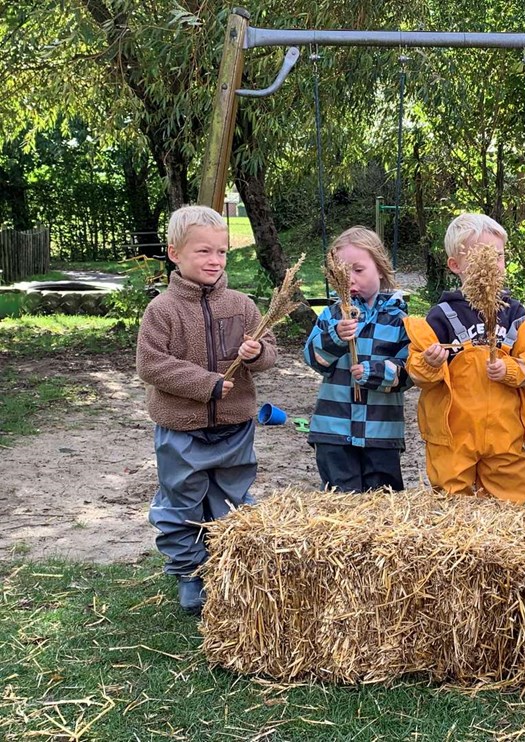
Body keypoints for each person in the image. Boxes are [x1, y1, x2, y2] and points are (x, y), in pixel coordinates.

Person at [136, 205, 277, 615]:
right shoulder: (163, 310)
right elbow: (151, 364)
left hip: (235, 426)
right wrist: (206, 384)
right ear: (174, 253)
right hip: (183, 429)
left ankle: (228, 569)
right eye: (203, 252)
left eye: (221, 252)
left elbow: (270, 355)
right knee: (182, 502)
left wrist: (256, 354)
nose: (214, 260)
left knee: (231, 502)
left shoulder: (242, 305)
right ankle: (189, 573)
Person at [405, 213, 525, 504]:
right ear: (455, 265)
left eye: (497, 257)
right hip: (454, 434)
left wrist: (509, 369)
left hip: (505, 433)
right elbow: (417, 372)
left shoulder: (519, 316)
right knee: (451, 501)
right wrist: (430, 364)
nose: (491, 266)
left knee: (508, 502)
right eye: (480, 258)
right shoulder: (440, 316)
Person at [303, 227, 410, 492]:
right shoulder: (331, 316)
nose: (350, 278)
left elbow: (410, 372)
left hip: (381, 434)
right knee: (341, 504)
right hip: (333, 431)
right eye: (341, 272)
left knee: (383, 503)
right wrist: (336, 337)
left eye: (358, 270)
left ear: (381, 269)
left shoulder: (400, 320)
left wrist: (375, 373)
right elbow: (313, 358)